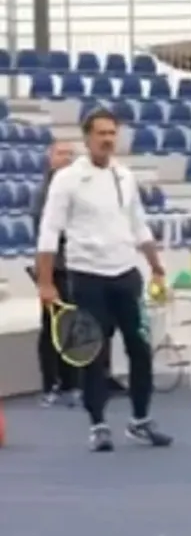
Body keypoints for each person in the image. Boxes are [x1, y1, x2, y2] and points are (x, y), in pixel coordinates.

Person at [34, 108, 174, 452]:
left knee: (140, 348)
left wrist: (156, 266)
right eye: (101, 133)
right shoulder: (67, 179)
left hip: (126, 275)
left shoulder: (125, 176)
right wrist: (45, 283)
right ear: (87, 138)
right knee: (93, 355)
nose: (108, 139)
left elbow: (139, 224)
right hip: (87, 278)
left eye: (112, 133)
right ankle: (98, 425)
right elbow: (49, 232)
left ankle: (140, 420)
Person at [31, 140, 78, 406]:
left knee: (72, 325)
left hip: (77, 267)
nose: (66, 158)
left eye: (70, 154)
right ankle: (50, 385)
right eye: (61, 153)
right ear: (50, 157)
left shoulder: (76, 189)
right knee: (51, 328)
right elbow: (46, 233)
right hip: (54, 269)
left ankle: (72, 383)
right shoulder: (43, 193)